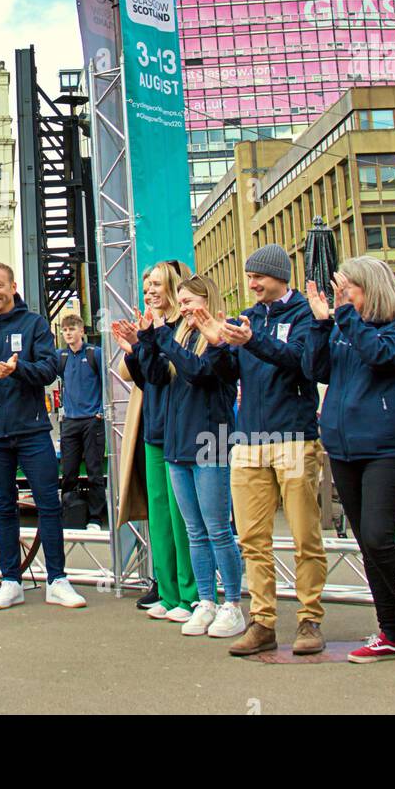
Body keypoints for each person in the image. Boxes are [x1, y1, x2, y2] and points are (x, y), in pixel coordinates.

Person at [192, 243, 327, 657]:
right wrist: (217, 344)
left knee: (305, 534)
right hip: (249, 439)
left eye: (259, 277)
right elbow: (227, 373)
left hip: (294, 435)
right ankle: (263, 620)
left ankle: (309, 618)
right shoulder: (246, 319)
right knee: (252, 537)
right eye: (249, 277)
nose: (252, 283)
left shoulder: (305, 315)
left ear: (279, 276)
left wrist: (252, 342)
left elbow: (303, 363)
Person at [302, 259, 395, 666]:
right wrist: (323, 325)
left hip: (386, 451)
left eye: (350, 290)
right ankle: (390, 632)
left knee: (380, 537)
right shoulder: (344, 329)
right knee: (367, 545)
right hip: (344, 449)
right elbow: (313, 369)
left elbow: (378, 355)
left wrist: (342, 316)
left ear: (370, 289)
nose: (344, 297)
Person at [0, 263, 85, 610]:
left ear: (12, 287)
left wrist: (17, 369)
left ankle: (57, 579)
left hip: (32, 430)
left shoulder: (34, 324)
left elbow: (50, 369)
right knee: (4, 507)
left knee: (48, 504)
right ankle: (11, 580)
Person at [128, 271, 246, 639]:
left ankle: (233, 604)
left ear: (207, 302)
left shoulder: (221, 337)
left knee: (217, 529)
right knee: (195, 531)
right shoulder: (179, 337)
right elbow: (156, 378)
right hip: (178, 446)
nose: (184, 309)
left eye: (190, 302)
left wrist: (162, 336)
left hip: (210, 443)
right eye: (181, 303)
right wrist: (143, 343)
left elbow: (198, 372)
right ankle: (205, 601)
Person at [113, 263, 198, 622]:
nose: (149, 291)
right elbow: (143, 378)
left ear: (173, 288)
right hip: (153, 429)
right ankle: (166, 590)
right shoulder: (151, 327)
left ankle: (190, 595)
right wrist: (136, 347)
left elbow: (175, 373)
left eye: (157, 285)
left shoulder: (185, 327)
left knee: (182, 519)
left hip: (179, 431)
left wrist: (149, 340)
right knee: (159, 517)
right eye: (147, 285)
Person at [56, 314, 107, 531]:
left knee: (95, 471)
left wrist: (101, 411)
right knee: (68, 472)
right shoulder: (61, 356)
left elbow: (107, 382)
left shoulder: (95, 354)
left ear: (81, 331)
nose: (68, 333)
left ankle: (95, 517)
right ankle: (70, 513)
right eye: (65, 330)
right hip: (71, 420)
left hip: (91, 420)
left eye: (72, 329)